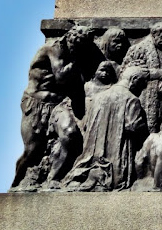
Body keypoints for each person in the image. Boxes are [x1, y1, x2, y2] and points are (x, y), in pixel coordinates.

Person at [12, 25, 100, 188]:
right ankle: (16, 185)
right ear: (69, 38)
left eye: (81, 47)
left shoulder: (75, 53)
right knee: (33, 151)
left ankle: (54, 178)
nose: (76, 49)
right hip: (37, 104)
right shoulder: (54, 49)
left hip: (59, 104)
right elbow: (61, 76)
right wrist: (77, 59)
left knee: (70, 134)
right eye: (75, 45)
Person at [64, 67, 150, 191]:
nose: (142, 89)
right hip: (116, 163)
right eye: (142, 84)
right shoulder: (132, 99)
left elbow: (86, 125)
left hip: (92, 156)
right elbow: (132, 127)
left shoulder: (98, 97)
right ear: (134, 79)